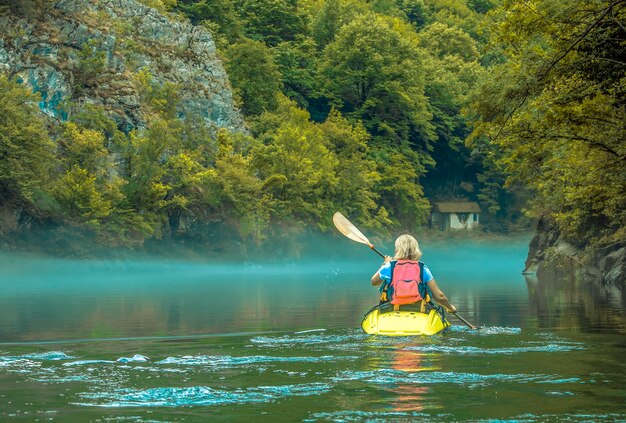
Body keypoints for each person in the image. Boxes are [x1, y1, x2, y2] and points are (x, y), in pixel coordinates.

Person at [370, 234, 457, 313]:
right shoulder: (423, 268)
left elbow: (374, 282)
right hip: (419, 310)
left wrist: (385, 264)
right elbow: (439, 296)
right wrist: (450, 308)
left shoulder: (389, 266)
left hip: (393, 309)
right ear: (416, 249)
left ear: (397, 249)